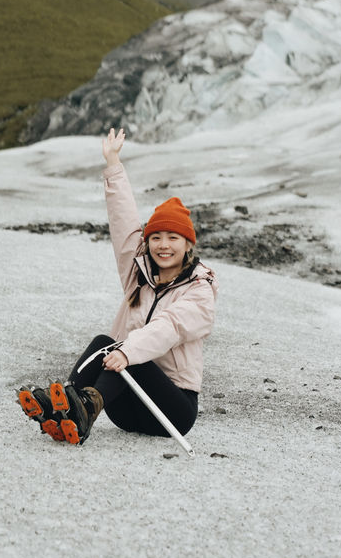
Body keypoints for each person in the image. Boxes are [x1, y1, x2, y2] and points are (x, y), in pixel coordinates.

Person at [16, 127, 218, 446]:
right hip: (125, 409)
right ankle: (67, 409)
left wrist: (128, 351)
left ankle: (82, 408)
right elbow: (123, 222)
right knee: (103, 341)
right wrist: (113, 164)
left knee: (131, 353)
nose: (163, 245)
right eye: (156, 237)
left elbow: (170, 327)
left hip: (172, 413)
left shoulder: (199, 291)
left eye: (172, 238)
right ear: (148, 242)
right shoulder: (138, 273)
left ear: (187, 244)